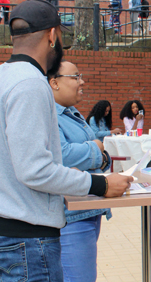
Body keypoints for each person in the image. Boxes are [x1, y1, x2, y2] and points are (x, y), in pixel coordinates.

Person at [0, 0, 131, 281]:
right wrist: (101, 183)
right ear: (52, 35)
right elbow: (35, 170)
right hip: (26, 240)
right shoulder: (31, 83)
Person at [48, 61, 113, 281]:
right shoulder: (48, 116)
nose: (81, 81)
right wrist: (96, 148)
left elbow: (97, 157)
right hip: (71, 214)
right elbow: (63, 156)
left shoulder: (71, 112)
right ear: (54, 82)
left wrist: (97, 155)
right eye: (75, 77)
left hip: (88, 207)